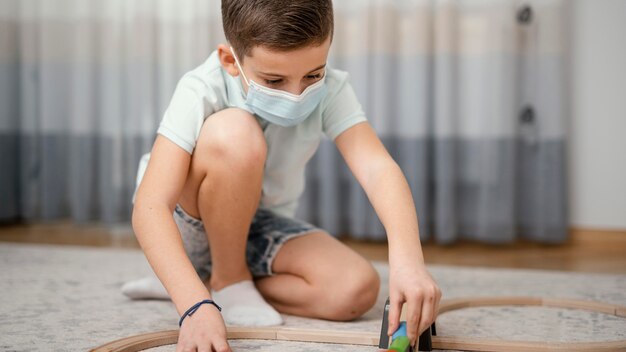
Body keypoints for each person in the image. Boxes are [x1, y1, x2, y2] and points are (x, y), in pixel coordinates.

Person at [123, 0, 441, 351]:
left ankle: (209, 279)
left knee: (357, 288)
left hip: (257, 225)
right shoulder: (201, 87)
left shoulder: (333, 89)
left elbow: (377, 168)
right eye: (274, 80)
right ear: (230, 61)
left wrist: (408, 260)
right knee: (235, 133)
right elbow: (151, 206)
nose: (297, 94)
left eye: (313, 75)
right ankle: (225, 282)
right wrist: (193, 305)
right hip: (188, 225)